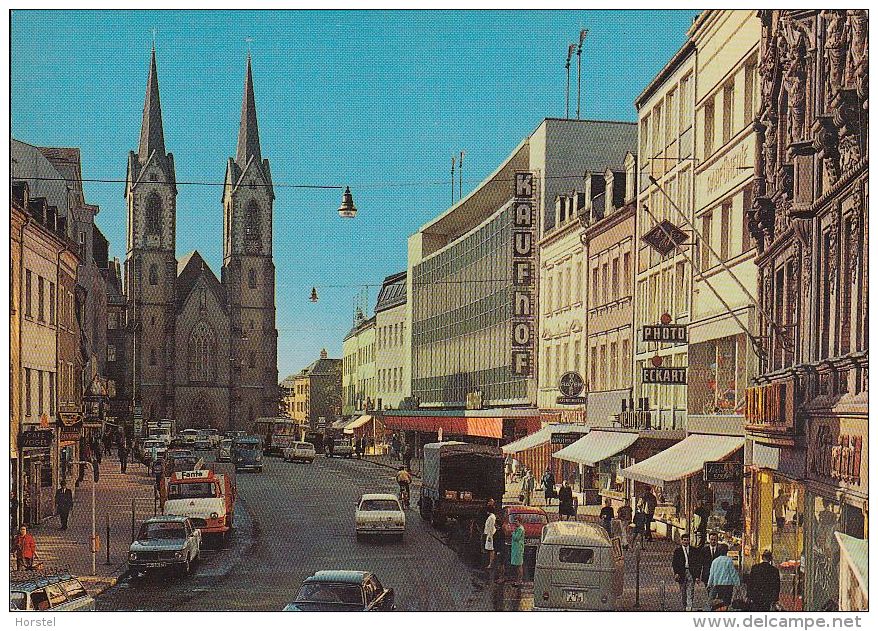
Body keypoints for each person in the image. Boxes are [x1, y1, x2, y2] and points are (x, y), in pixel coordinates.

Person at [672, 533, 703, 611]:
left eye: (687, 540)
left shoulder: (694, 550)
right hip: (682, 572)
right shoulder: (677, 551)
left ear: (689, 540)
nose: (686, 542)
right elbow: (674, 563)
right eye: (684, 540)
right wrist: (676, 573)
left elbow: (698, 564)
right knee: (683, 590)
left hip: (691, 571)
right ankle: (684, 605)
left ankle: (689, 607)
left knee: (690, 589)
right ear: (681, 541)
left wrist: (697, 576)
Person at [706, 544, 740, 610]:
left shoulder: (715, 561)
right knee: (726, 603)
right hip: (727, 586)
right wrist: (737, 583)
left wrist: (709, 584)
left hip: (717, 585)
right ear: (726, 552)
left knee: (718, 603)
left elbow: (711, 574)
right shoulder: (729, 561)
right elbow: (733, 573)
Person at [510, 519, 525, 586]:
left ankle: (520, 580)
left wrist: (513, 532)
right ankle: (518, 579)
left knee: (519, 565)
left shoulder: (520, 529)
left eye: (516, 521)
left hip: (518, 548)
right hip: (516, 548)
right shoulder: (518, 528)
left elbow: (516, 538)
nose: (515, 523)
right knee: (518, 565)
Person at [493, 511, 507, 583]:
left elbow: (500, 542)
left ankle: (502, 577)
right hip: (498, 550)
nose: (494, 524)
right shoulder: (499, 531)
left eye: (495, 523)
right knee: (500, 564)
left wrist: (499, 551)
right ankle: (501, 577)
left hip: (500, 550)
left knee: (501, 565)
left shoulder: (500, 532)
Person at [483, 505, 497, 570]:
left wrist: (490, 536)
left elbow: (491, 527)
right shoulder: (491, 517)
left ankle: (491, 563)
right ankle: (491, 563)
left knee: (491, 549)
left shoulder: (491, 517)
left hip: (491, 534)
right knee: (490, 549)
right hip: (490, 534)